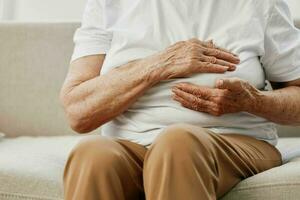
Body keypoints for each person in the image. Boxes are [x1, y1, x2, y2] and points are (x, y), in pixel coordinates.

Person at [60, 0, 300, 199]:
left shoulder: (260, 4)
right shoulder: (108, 5)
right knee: (93, 154)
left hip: (234, 143)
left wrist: (253, 101)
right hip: (133, 145)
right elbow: (78, 111)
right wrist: (159, 64)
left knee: (177, 143)